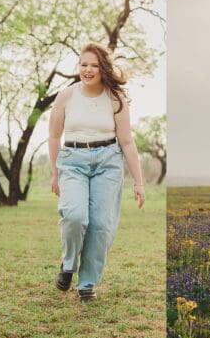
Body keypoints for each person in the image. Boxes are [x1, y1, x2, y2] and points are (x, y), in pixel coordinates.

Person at [48, 42, 146, 301]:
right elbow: (54, 136)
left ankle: (87, 284)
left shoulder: (115, 99)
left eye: (94, 65)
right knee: (75, 216)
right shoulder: (66, 96)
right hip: (72, 160)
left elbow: (126, 141)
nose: (88, 70)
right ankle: (68, 265)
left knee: (101, 225)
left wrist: (139, 182)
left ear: (103, 69)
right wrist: (55, 173)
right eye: (83, 65)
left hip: (108, 162)